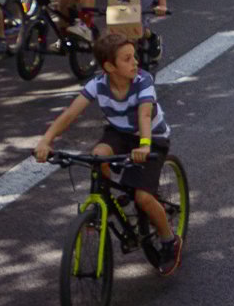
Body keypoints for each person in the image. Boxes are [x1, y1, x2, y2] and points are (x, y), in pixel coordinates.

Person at [33, 31, 182, 274]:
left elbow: (145, 115)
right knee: (98, 154)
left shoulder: (143, 81)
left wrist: (144, 145)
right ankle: (105, 199)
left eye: (134, 57)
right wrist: (46, 141)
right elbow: (70, 114)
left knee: (143, 198)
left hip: (151, 138)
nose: (135, 62)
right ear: (109, 67)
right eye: (127, 59)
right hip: (120, 133)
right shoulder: (97, 85)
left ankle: (169, 240)